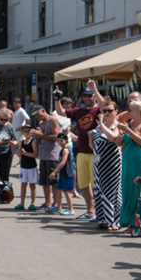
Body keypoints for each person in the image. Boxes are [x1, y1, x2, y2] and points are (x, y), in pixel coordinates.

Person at [55, 80, 100, 220]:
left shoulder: (98, 110)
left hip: (95, 153)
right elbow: (61, 112)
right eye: (84, 96)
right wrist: (57, 99)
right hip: (81, 153)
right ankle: (90, 211)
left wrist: (95, 90)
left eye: (89, 95)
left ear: (94, 97)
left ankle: (100, 212)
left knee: (97, 185)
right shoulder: (79, 111)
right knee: (84, 184)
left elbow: (105, 105)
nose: (86, 98)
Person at [116, 100, 141, 228]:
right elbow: (118, 142)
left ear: (138, 111)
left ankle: (138, 223)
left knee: (139, 192)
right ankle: (128, 221)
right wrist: (120, 133)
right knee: (127, 190)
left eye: (130, 109)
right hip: (127, 160)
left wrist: (128, 131)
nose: (128, 112)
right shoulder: (128, 124)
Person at [89, 100, 122, 230]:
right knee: (99, 191)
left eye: (110, 111)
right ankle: (103, 219)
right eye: (104, 111)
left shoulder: (118, 125)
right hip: (98, 164)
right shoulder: (98, 127)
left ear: (116, 112)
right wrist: (89, 139)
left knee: (111, 191)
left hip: (112, 163)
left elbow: (113, 138)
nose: (107, 113)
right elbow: (93, 146)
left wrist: (102, 124)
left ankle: (113, 221)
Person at [31, 105, 61, 211]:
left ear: (43, 110)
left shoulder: (53, 120)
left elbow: (56, 136)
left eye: (37, 114)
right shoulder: (40, 123)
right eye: (34, 116)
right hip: (44, 154)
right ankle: (47, 203)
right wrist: (38, 136)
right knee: (44, 181)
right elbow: (41, 140)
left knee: (53, 181)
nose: (36, 117)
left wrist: (42, 135)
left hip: (53, 154)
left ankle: (56, 204)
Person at [16, 124, 39, 210]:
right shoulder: (21, 142)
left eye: (28, 131)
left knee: (32, 185)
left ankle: (33, 203)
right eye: (25, 131)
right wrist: (20, 151)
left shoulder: (33, 142)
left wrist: (25, 153)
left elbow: (35, 154)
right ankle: (22, 203)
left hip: (31, 166)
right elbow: (18, 155)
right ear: (22, 133)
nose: (27, 133)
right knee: (23, 185)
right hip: (23, 167)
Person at [52, 133, 74, 215]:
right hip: (62, 173)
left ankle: (71, 209)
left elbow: (63, 162)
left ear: (66, 141)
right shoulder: (62, 149)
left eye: (62, 140)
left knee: (66, 191)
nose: (60, 142)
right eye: (58, 141)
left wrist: (54, 172)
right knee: (58, 190)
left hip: (67, 174)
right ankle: (58, 207)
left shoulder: (65, 149)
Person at [10, 97, 30, 164]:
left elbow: (27, 118)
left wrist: (23, 127)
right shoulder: (16, 111)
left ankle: (20, 161)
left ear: (20, 104)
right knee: (13, 146)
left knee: (20, 146)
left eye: (16, 103)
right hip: (15, 131)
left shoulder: (21, 110)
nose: (15, 105)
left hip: (19, 132)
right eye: (14, 103)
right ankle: (10, 160)